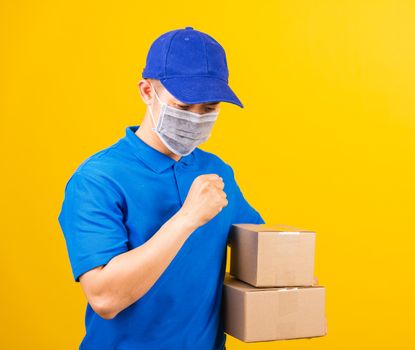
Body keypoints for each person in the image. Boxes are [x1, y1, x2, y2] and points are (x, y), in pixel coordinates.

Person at [57, 26, 264, 350]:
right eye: (183, 106)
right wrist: (186, 219)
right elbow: (105, 297)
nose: (196, 118)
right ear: (147, 92)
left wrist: (292, 289)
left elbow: (259, 246)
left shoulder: (217, 171)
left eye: (209, 109)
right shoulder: (97, 180)